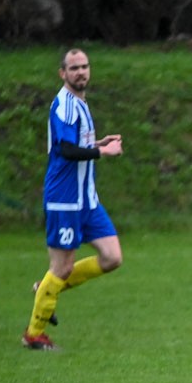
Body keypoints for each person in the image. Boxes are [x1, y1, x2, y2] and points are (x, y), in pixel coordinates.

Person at [22, 48, 124, 351]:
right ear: (62, 73)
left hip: (86, 200)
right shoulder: (65, 105)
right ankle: (34, 334)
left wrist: (98, 142)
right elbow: (66, 150)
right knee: (62, 267)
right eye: (74, 68)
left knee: (112, 257)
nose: (81, 72)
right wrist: (103, 151)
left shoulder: (80, 103)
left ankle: (47, 288)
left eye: (84, 67)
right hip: (64, 199)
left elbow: (75, 144)